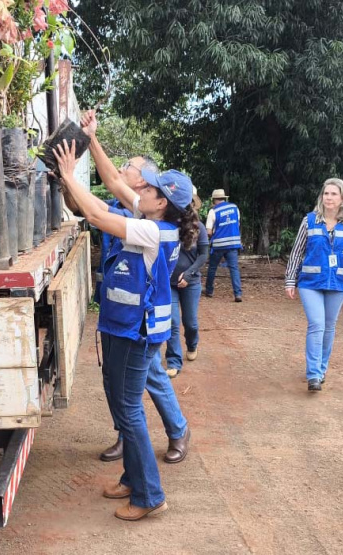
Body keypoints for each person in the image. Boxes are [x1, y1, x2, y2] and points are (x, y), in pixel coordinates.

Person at [53, 136, 198, 521]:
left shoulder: (153, 232)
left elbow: (99, 216)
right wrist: (93, 139)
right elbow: (113, 187)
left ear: (162, 201)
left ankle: (150, 495)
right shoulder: (151, 217)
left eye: (148, 188)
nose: (139, 188)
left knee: (130, 410)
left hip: (140, 332)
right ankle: (133, 480)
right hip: (124, 325)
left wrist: (69, 177)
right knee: (121, 403)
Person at [284, 178, 343, 392]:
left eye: (333, 194)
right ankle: (313, 375)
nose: (328, 197)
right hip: (310, 282)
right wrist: (290, 279)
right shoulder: (309, 221)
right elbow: (297, 252)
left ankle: (321, 368)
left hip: (338, 282)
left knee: (329, 327)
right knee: (316, 324)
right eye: (326, 193)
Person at [162, 191, 209, 377]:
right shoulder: (167, 226)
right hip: (169, 283)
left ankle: (192, 344)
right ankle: (173, 360)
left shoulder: (199, 228)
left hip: (191, 282)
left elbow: (204, 255)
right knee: (172, 321)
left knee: (190, 323)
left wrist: (188, 274)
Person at [204, 189, 243, 302]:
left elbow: (208, 231)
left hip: (219, 245)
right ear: (224, 198)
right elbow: (237, 223)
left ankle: (209, 291)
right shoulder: (235, 208)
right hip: (233, 243)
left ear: (214, 199)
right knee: (234, 268)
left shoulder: (213, 211)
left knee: (212, 268)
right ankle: (238, 294)